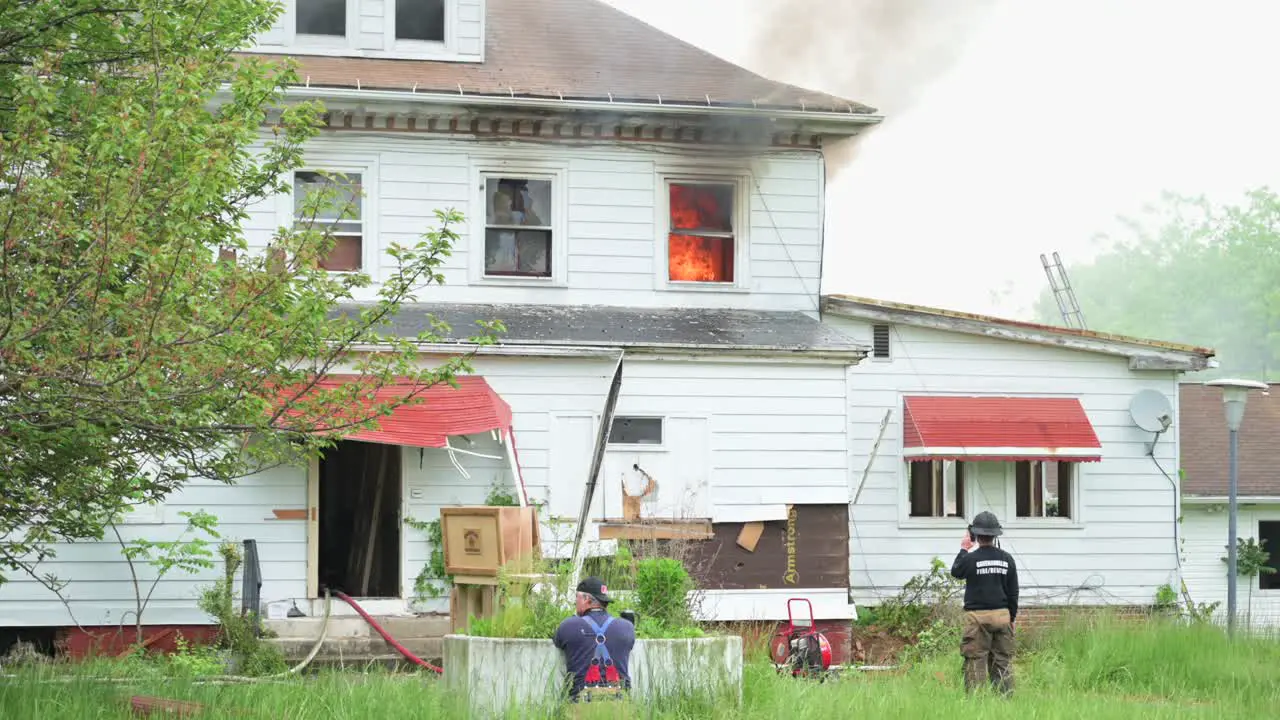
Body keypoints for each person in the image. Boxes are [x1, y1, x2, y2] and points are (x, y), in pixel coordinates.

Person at [950, 511, 1019, 696]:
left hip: (977, 618)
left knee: (975, 660)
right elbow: (1013, 592)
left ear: (976, 535)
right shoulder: (1007, 559)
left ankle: (976, 704)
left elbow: (956, 572)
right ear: (995, 535)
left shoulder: (970, 559)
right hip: (1002, 616)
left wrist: (965, 548)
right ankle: (1005, 701)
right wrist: (1011, 618)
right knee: (1002, 661)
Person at [552, 577, 635, 703]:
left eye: (577, 597)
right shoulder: (627, 627)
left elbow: (557, 641)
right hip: (619, 706)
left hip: (580, 706)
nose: (576, 602)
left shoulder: (569, 625)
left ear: (586, 599)